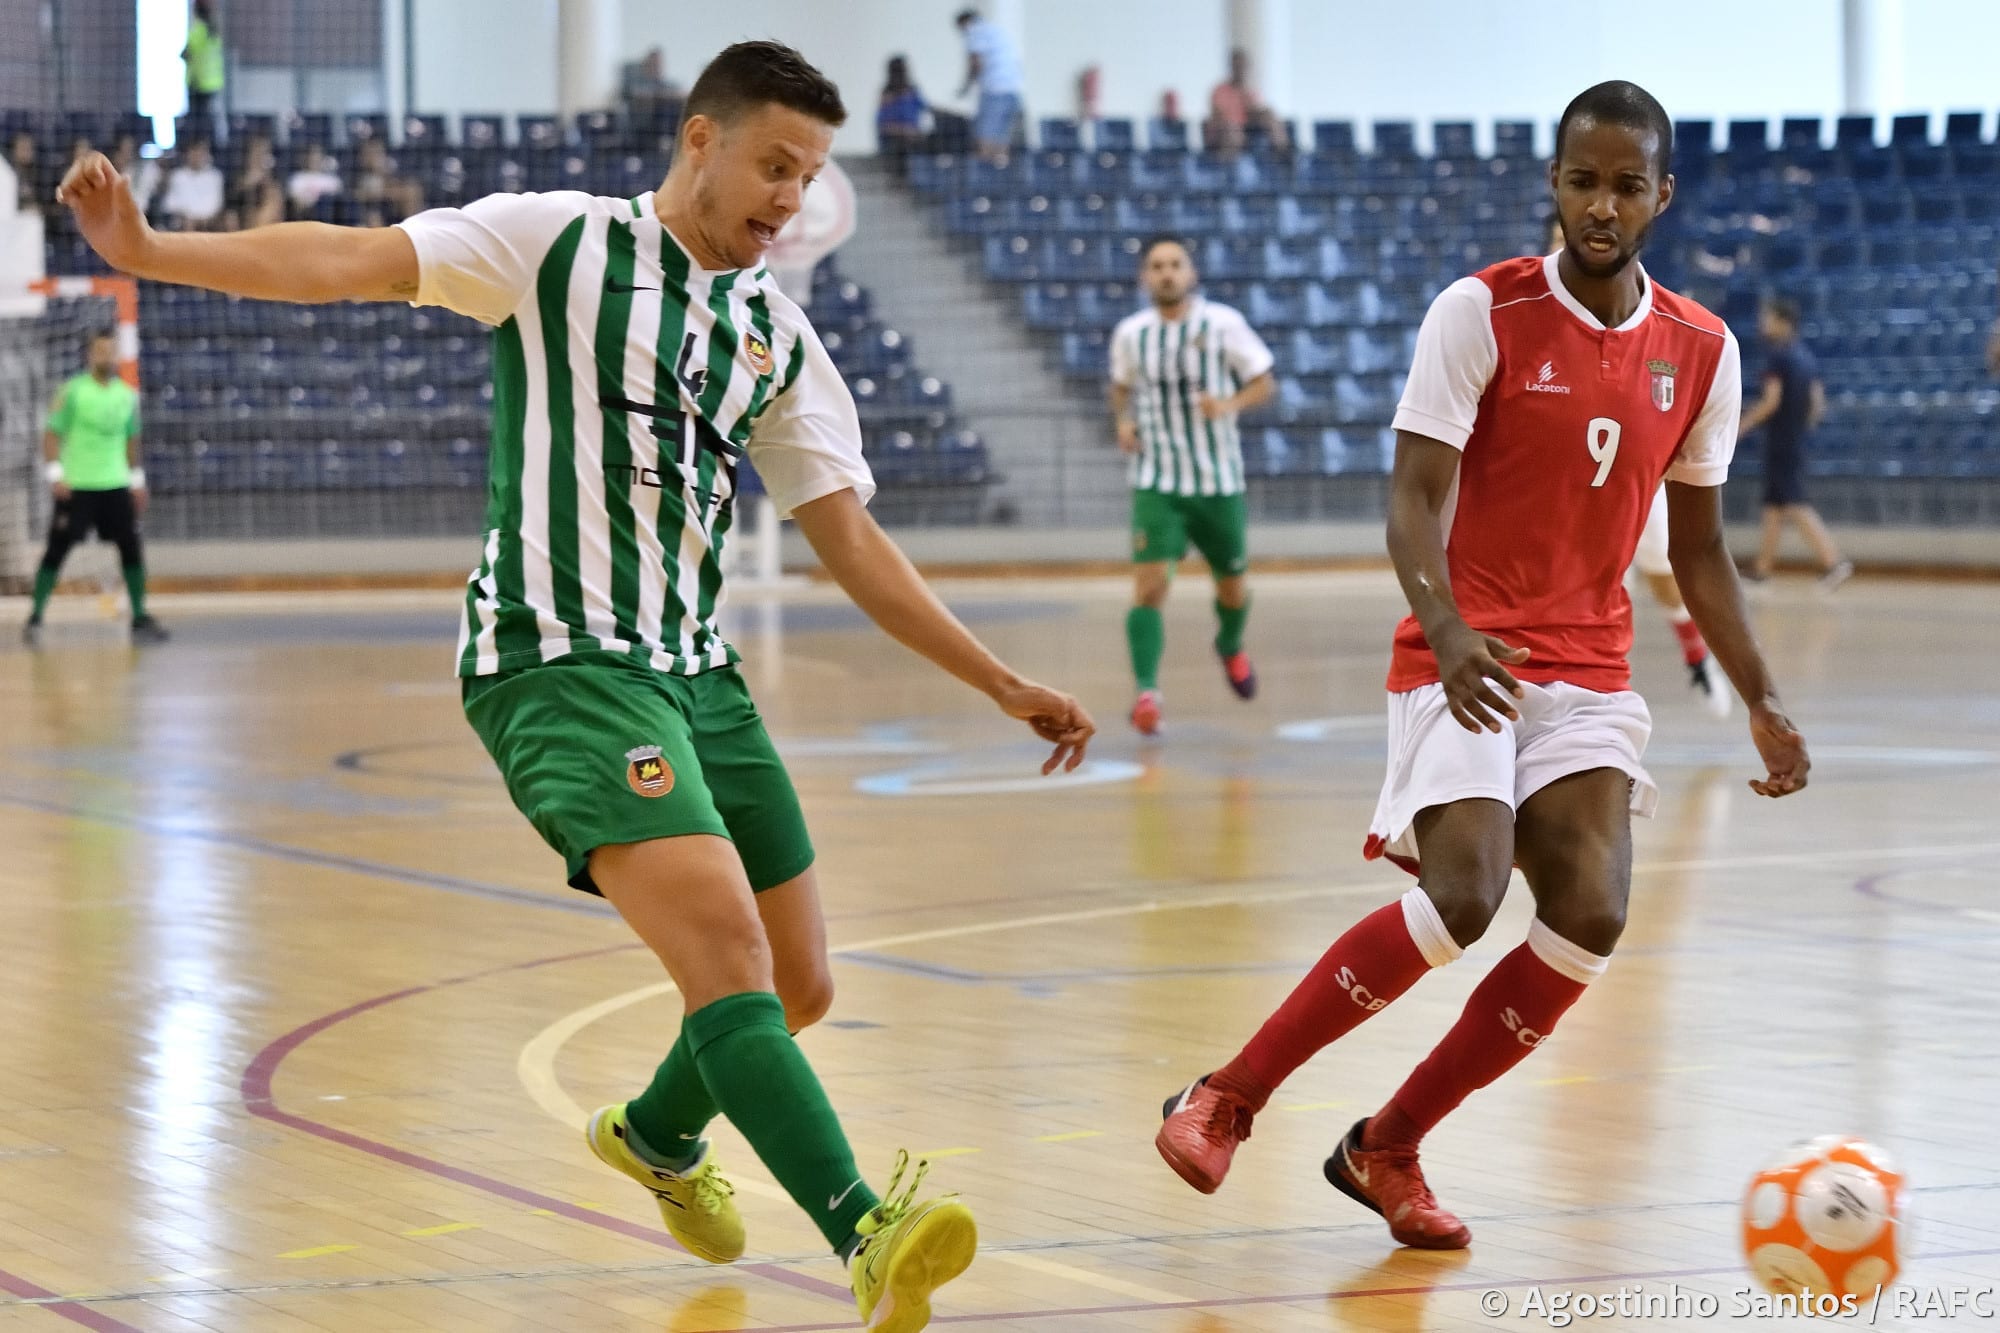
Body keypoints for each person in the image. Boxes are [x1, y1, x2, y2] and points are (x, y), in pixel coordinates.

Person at [59, 39, 1094, 1331]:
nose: (790, 198)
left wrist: (998, 680)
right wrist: (152, 251)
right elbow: (350, 259)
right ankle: (864, 1234)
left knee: (800, 983)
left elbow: (851, 541)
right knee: (728, 957)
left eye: (810, 175)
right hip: (559, 661)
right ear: (701, 140)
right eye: (774, 165)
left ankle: (656, 1136)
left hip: (696, 674)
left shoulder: (772, 333)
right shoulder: (557, 245)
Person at [1154, 80, 1809, 1249]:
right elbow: (1410, 500)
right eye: (1580, 181)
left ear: (1659, 196)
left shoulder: (1699, 350)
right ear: (1552, 184)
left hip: (1588, 669)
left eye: (1623, 185)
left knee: (1588, 917)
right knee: (1463, 894)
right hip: (1468, 649)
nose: (1599, 205)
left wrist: (1758, 694)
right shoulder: (1479, 311)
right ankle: (1226, 1095)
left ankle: (1386, 1145)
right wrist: (1448, 629)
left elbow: (1699, 548)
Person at [1544, 214, 1728, 716]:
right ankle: (1587, 687)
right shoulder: (1534, 318)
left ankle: (1696, 656)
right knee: (1589, 584)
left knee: (1662, 571)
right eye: (1557, 238)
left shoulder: (1635, 312)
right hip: (1563, 485)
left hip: (1630, 474)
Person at [1109, 236, 1276, 736]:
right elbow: (1120, 387)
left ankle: (1229, 644)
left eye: (1175, 264)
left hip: (1218, 481)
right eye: (1157, 266)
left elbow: (1264, 382)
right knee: (1149, 587)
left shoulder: (1222, 324)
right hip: (1157, 481)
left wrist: (1228, 405)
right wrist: (1123, 421)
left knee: (1232, 586)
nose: (1166, 273)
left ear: (1191, 273)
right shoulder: (1131, 334)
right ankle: (1146, 693)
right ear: (1144, 277)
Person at [23, 333, 166, 645]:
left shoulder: (125, 396)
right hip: (78, 486)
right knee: (57, 550)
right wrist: (55, 475)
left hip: (115, 485)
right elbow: (51, 434)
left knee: (131, 548)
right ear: (89, 355)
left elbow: (131, 440)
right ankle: (35, 617)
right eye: (100, 351)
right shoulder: (72, 391)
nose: (106, 356)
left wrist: (136, 480)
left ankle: (139, 616)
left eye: (111, 351)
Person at [1742, 295, 1848, 589]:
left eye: (1768, 318)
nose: (1762, 324)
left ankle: (1833, 561)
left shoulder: (1777, 358)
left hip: (1780, 442)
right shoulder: (1806, 357)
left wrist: (1741, 426)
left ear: (1783, 323)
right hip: (1795, 439)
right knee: (1774, 506)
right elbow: (1817, 403)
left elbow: (1770, 401)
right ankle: (1762, 568)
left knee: (1795, 503)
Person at [954, 9, 1023, 164]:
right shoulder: (996, 31)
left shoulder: (974, 31)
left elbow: (976, 63)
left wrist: (965, 87)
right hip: (1013, 89)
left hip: (994, 90)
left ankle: (984, 173)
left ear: (964, 23)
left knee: (985, 136)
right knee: (1001, 138)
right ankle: (999, 171)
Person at [1207, 48, 1288, 157]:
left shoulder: (1250, 91)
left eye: (1242, 65)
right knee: (1233, 132)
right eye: (1237, 65)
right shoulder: (1219, 91)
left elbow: (1256, 115)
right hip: (1225, 133)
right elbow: (1219, 117)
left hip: (1248, 132)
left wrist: (1249, 102)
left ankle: (1284, 157)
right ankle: (1228, 165)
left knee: (1269, 114)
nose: (1240, 69)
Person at [876, 55, 929, 177]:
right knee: (901, 148)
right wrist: (905, 131)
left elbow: (927, 108)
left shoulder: (913, 92)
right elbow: (883, 126)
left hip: (914, 138)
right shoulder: (887, 97)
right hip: (895, 142)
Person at [182, 1, 225, 142]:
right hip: (213, 83)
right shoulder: (214, 31)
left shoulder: (198, 31)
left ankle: (197, 144)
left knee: (197, 122)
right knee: (209, 118)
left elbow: (186, 53)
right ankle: (211, 144)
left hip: (199, 83)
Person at [159, 140, 225, 229]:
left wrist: (204, 220)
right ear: (186, 155)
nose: (197, 157)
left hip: (210, 222)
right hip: (184, 222)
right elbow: (169, 205)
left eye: (200, 153)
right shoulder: (177, 176)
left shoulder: (215, 176)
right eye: (194, 153)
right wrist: (186, 218)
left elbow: (218, 204)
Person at [286, 144, 344, 216]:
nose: (314, 159)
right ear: (306, 158)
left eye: (317, 156)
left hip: (328, 217)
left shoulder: (332, 180)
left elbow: (339, 201)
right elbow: (295, 202)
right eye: (311, 156)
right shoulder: (297, 179)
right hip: (307, 214)